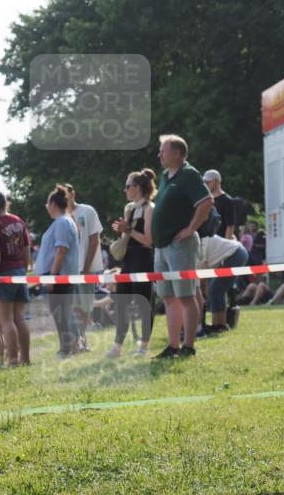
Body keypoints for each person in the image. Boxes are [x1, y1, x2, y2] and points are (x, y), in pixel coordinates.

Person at [151, 134, 213, 359]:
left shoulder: (189, 174)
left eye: (163, 151)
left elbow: (206, 202)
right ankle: (173, 346)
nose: (159, 155)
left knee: (186, 296)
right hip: (162, 246)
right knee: (168, 297)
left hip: (180, 245)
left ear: (178, 153)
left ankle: (189, 347)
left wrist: (190, 229)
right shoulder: (165, 176)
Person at [107, 169, 157, 357]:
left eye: (128, 186)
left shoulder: (150, 208)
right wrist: (123, 231)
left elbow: (148, 240)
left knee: (144, 304)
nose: (125, 190)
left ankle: (143, 346)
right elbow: (126, 237)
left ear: (138, 187)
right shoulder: (129, 208)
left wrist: (128, 230)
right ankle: (117, 347)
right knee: (121, 303)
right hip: (128, 260)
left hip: (143, 259)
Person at [0, 191, 32, 367]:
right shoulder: (18, 221)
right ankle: (25, 358)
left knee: (6, 320)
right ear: (6, 203)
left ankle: (12, 360)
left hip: (4, 274)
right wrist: (23, 270)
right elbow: (26, 249)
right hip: (19, 272)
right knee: (20, 318)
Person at [36, 186, 81, 357]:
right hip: (60, 275)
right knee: (62, 312)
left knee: (60, 312)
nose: (47, 208)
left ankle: (67, 348)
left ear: (53, 204)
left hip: (59, 276)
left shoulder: (62, 222)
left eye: (48, 204)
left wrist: (52, 277)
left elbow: (61, 250)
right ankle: (70, 346)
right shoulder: (64, 221)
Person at [64, 184, 103, 351]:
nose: (65, 198)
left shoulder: (87, 211)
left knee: (85, 306)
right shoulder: (62, 218)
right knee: (73, 306)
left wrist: (86, 267)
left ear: (73, 193)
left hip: (86, 268)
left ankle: (83, 339)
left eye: (67, 193)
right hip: (69, 270)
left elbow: (94, 239)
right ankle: (77, 340)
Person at [196, 232, 249, 333]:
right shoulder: (202, 239)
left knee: (215, 290)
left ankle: (220, 325)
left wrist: (201, 285)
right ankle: (218, 323)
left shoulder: (202, 241)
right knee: (215, 290)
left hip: (236, 254)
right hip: (235, 254)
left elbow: (203, 268)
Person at [202, 169, 237, 239]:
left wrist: (226, 242)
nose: (205, 185)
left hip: (220, 241)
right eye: (204, 182)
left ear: (216, 181)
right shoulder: (205, 199)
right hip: (206, 240)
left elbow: (230, 226)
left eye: (208, 182)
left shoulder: (227, 201)